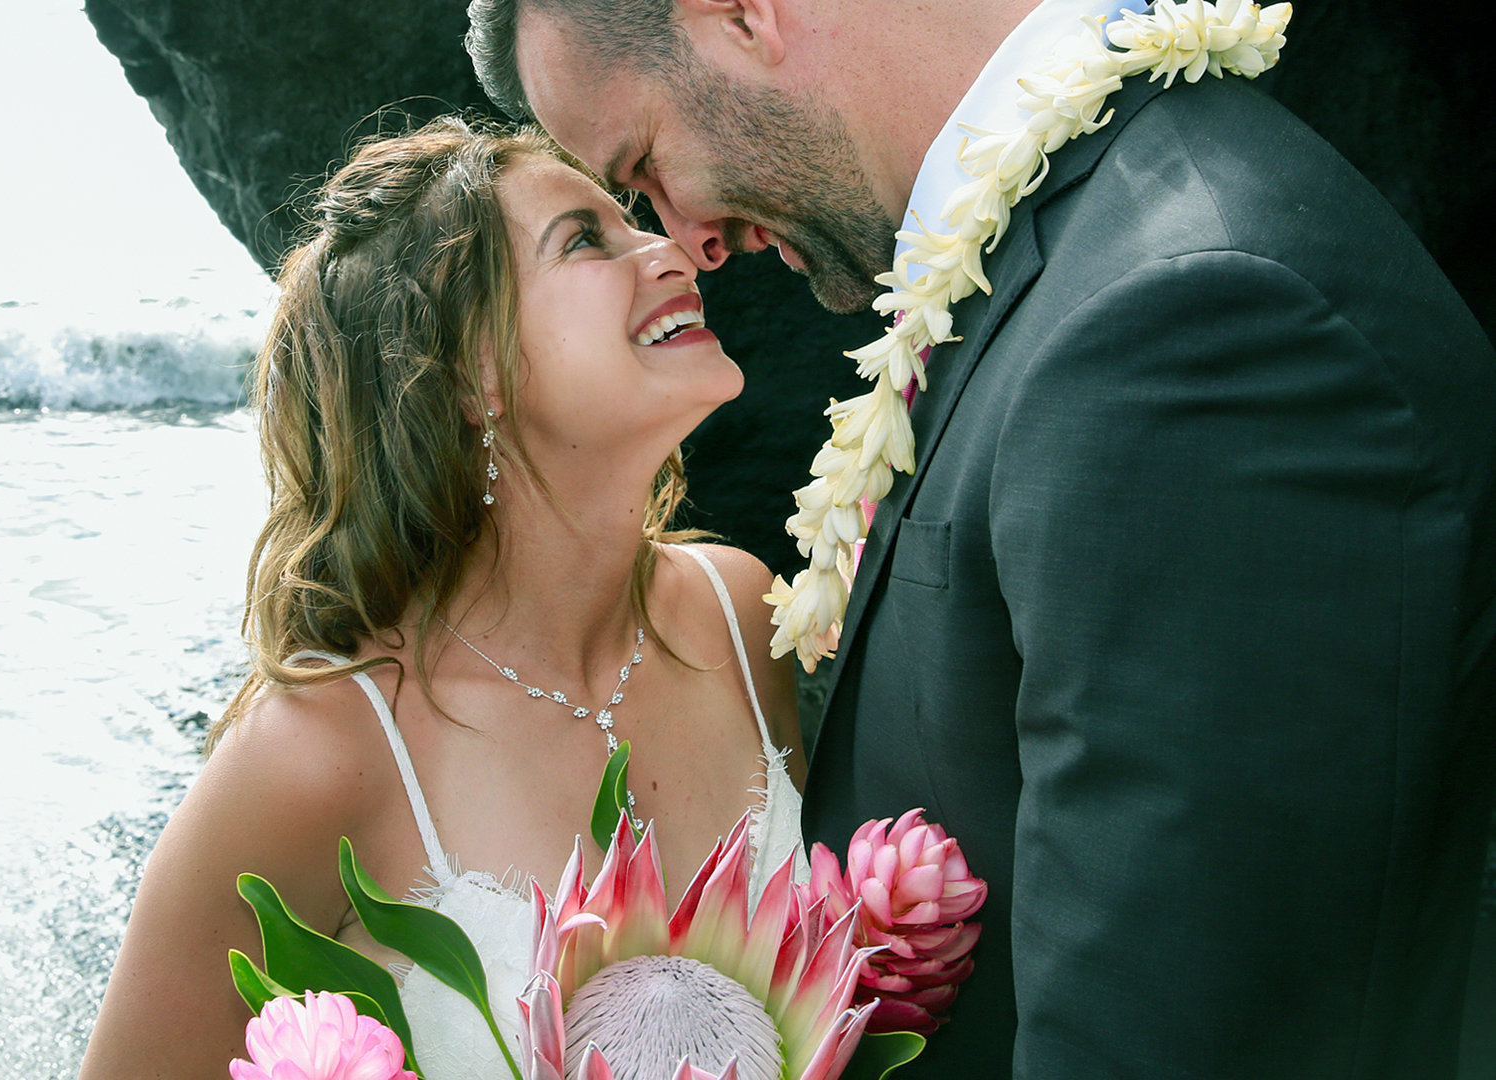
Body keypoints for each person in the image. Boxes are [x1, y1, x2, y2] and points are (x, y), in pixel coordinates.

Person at [468, 0, 1496, 1076]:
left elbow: (1171, 1034)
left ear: (740, 13)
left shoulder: (1187, 325)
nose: (689, 241)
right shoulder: (1083, 268)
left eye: (645, 165)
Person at [76, 117, 803, 1080]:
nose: (668, 250)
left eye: (629, 222)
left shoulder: (740, 612)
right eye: (585, 239)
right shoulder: (319, 751)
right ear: (471, 374)